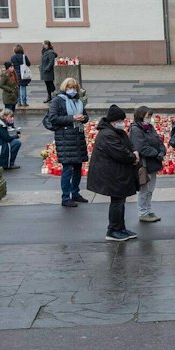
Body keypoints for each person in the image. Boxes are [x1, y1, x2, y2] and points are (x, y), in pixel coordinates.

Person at [87, 104, 142, 242]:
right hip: (111, 174)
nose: (122, 123)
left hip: (117, 172)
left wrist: (134, 152)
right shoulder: (107, 134)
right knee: (117, 201)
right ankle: (113, 230)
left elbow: (128, 144)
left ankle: (120, 228)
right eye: (120, 120)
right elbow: (120, 153)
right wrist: (133, 157)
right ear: (113, 121)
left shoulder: (116, 131)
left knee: (120, 200)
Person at [45, 76, 90, 207]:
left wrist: (83, 118)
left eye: (74, 87)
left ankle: (75, 192)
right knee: (67, 168)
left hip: (77, 136)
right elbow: (53, 118)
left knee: (78, 167)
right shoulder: (57, 100)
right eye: (70, 87)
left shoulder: (78, 100)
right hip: (65, 137)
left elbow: (86, 116)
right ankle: (65, 197)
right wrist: (72, 118)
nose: (72, 90)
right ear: (65, 88)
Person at [130, 105, 166, 223]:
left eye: (150, 116)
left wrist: (162, 151)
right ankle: (143, 212)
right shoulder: (135, 129)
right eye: (147, 116)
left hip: (153, 162)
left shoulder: (150, 127)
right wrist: (156, 153)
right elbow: (141, 147)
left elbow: (159, 141)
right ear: (141, 116)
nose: (149, 118)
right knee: (144, 189)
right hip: (144, 164)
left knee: (150, 189)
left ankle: (148, 210)